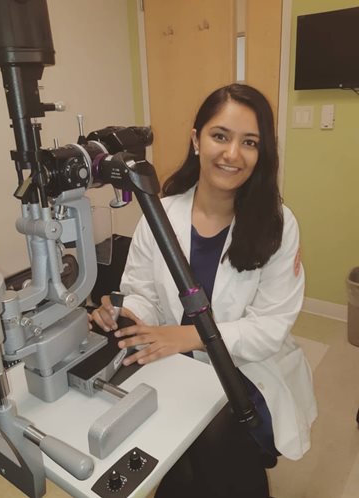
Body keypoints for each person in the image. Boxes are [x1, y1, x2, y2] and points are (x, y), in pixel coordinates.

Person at [90, 83, 317, 498]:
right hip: (174, 365)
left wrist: (188, 336)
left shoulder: (278, 225)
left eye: (249, 142)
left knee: (216, 446)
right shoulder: (160, 214)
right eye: (220, 136)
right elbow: (141, 290)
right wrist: (125, 312)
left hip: (246, 371)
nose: (232, 154)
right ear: (196, 140)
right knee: (167, 453)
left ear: (261, 153)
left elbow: (270, 328)